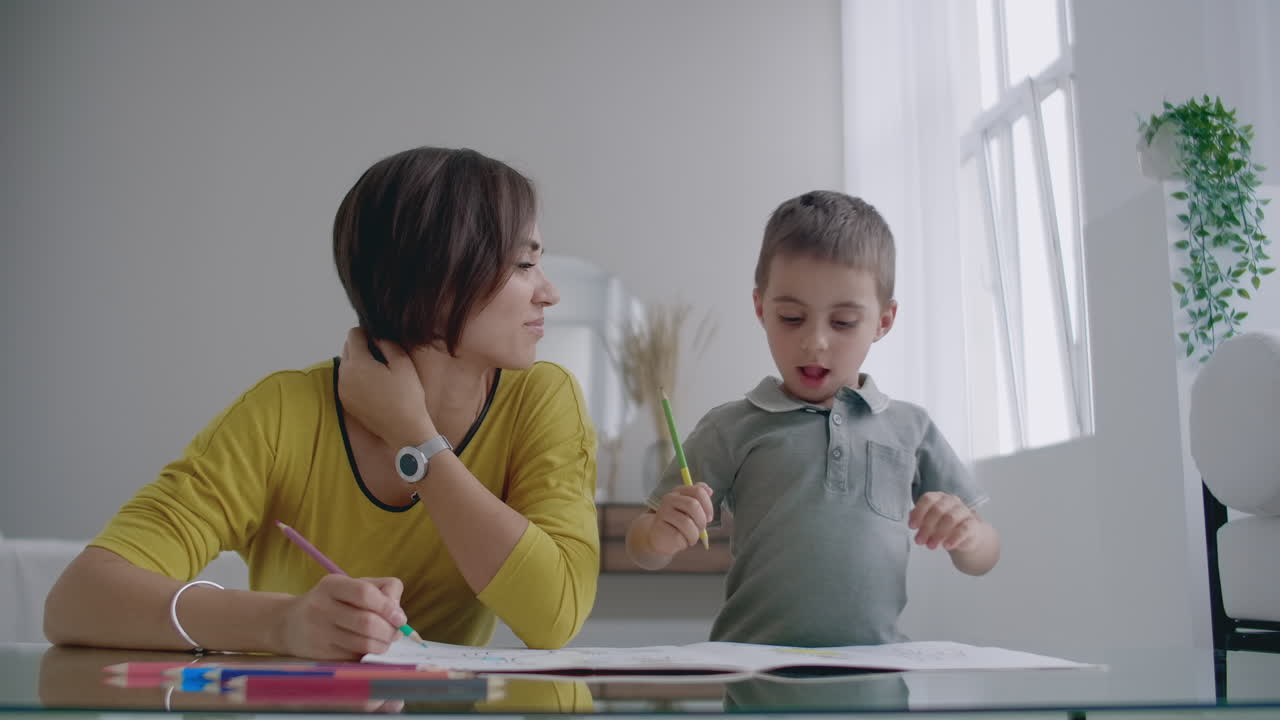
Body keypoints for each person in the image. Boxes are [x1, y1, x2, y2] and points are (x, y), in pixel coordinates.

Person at [44, 146, 600, 659]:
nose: (549, 292)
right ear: (437, 279)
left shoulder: (540, 399)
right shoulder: (284, 413)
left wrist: (416, 440)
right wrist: (282, 623)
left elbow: (554, 616)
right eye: (525, 265)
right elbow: (78, 600)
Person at [626, 190, 999, 647]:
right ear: (761, 308)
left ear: (884, 321)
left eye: (842, 322)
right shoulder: (731, 427)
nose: (815, 342)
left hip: (876, 686)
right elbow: (642, 548)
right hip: (757, 682)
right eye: (791, 318)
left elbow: (983, 557)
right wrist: (659, 536)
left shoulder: (911, 428)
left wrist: (969, 536)